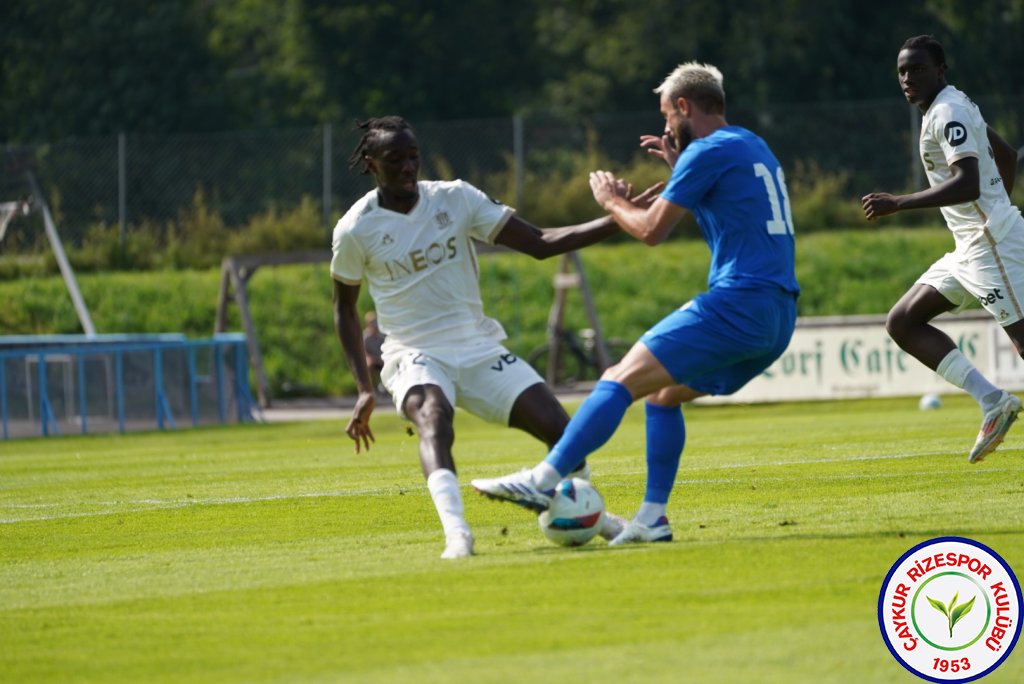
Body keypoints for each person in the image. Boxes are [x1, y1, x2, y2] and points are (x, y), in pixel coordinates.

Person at [472, 62, 800, 545]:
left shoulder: (707, 151)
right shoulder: (752, 145)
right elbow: (731, 208)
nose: (666, 126)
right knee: (662, 396)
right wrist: (678, 170)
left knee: (618, 378)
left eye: (667, 115)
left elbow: (649, 231)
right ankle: (651, 518)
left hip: (740, 301)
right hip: (778, 314)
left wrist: (609, 201)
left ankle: (541, 481)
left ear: (684, 107)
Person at [331, 116, 659, 559]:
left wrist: (616, 221)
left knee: (564, 431)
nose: (408, 168)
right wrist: (363, 390)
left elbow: (540, 242)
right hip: (413, 352)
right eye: (395, 160)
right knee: (432, 417)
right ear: (371, 164)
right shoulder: (355, 229)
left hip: (477, 346)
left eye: (414, 158)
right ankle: (458, 535)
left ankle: (595, 522)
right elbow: (344, 308)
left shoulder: (455, 198)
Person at [861, 35, 1024, 463]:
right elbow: (1006, 155)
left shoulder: (947, 110)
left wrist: (899, 202)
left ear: (940, 70)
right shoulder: (951, 105)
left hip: (991, 245)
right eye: (902, 70)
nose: (907, 78)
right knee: (903, 321)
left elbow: (967, 180)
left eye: (917, 69)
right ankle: (994, 401)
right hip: (972, 245)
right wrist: (994, 208)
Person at [361, 311, 387, 396]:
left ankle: (384, 386)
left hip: (381, 360)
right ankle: (370, 387)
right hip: (371, 360)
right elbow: (364, 353)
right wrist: (374, 359)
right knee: (369, 364)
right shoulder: (365, 337)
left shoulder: (381, 337)